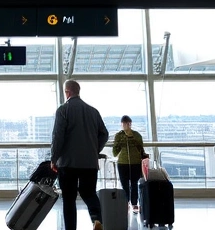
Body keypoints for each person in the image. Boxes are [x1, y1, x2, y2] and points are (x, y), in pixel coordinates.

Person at [51, 80, 109, 230]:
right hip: (89, 163)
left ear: (67, 92)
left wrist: (53, 159)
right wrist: (94, 150)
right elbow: (104, 134)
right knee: (89, 193)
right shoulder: (93, 111)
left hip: (67, 164)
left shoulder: (63, 110)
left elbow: (58, 137)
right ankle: (97, 220)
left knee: (69, 199)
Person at [111, 115, 145, 214]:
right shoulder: (119, 136)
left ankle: (134, 203)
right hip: (122, 163)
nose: (127, 126)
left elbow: (141, 149)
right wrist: (120, 143)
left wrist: (133, 142)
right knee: (124, 184)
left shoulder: (137, 135)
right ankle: (125, 202)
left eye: (129, 124)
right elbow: (114, 152)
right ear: (122, 124)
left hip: (135, 162)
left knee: (134, 183)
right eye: (125, 124)